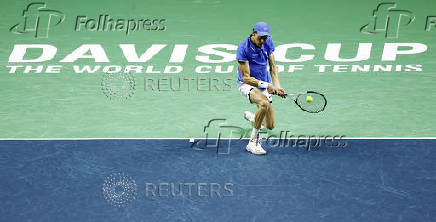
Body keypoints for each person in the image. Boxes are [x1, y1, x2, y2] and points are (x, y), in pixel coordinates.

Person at [236, 22, 286, 155]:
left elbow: (273, 67)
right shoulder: (243, 48)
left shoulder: (267, 43)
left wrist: (277, 86)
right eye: (260, 37)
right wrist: (268, 86)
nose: (263, 40)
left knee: (270, 125)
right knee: (263, 103)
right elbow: (246, 77)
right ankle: (252, 143)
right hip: (247, 85)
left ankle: (255, 119)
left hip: (265, 84)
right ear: (254, 32)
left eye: (265, 37)